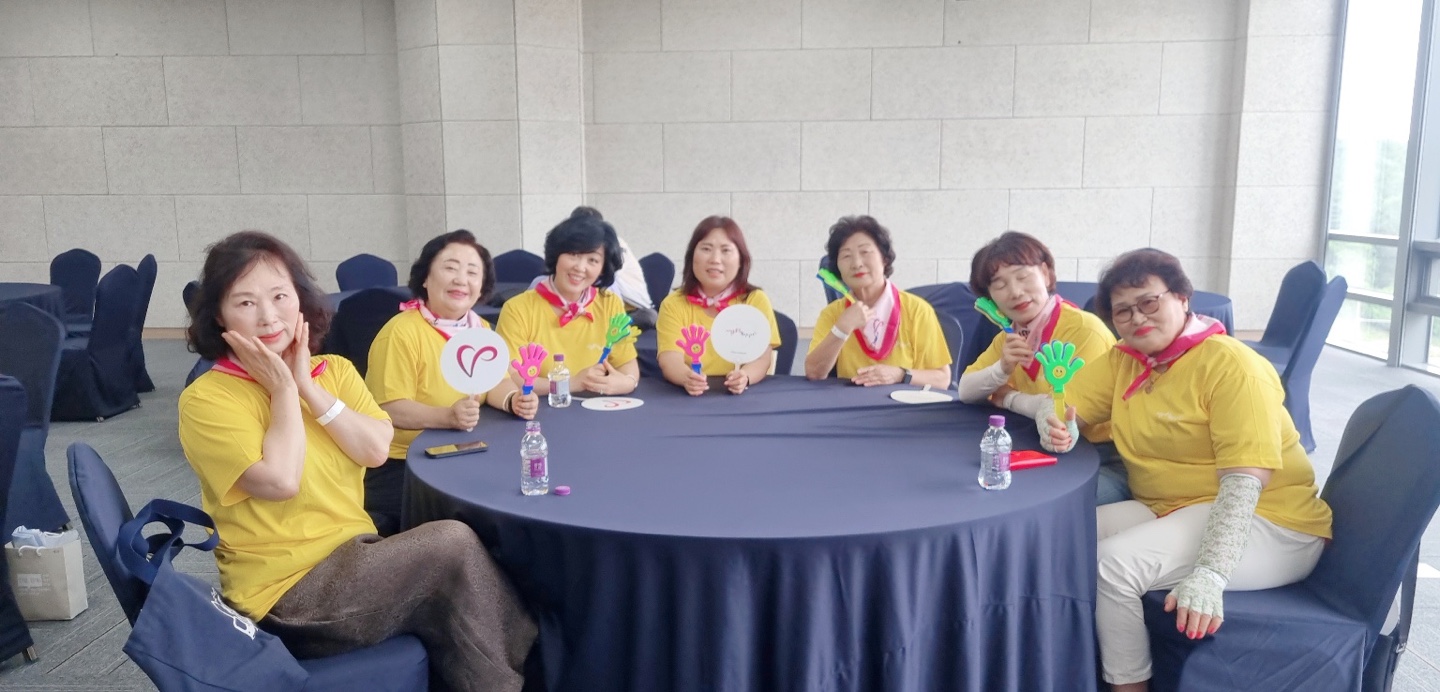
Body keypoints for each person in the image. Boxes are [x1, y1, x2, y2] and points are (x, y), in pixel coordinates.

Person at [178, 231, 535, 692]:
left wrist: (308, 387)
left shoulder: (336, 373)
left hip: (353, 556)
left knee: (460, 596)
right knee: (450, 545)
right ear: (219, 316)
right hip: (285, 594)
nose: (268, 316)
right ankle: (531, 670)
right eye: (245, 302)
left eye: (280, 296)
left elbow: (374, 450)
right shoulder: (208, 398)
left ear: (301, 300)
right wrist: (283, 389)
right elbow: (281, 481)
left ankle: (513, 672)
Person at [1042, 249, 1332, 691]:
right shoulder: (1126, 360)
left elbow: (1243, 484)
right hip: (1174, 507)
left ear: (1182, 297)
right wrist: (1057, 424)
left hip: (1270, 521)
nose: (1137, 317)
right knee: (1062, 535)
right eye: (1122, 311)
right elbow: (1065, 403)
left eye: (1149, 301)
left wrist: (1212, 572)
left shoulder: (1232, 366)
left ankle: (1128, 687)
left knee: (1111, 566)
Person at [363, 229, 539, 535]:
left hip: (463, 450)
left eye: (472, 272)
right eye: (450, 268)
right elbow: (388, 408)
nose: (461, 280)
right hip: (403, 465)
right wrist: (446, 416)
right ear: (425, 278)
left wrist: (513, 399)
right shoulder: (401, 332)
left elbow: (495, 382)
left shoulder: (480, 329)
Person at [956, 231, 1122, 502]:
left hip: (1100, 458)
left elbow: (1059, 413)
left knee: (1014, 500)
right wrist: (1002, 368)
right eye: (999, 285)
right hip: (1040, 447)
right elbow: (965, 390)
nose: (1015, 292)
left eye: (1022, 277)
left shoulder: (1084, 330)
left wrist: (1007, 397)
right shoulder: (1011, 334)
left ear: (1045, 273)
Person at [496, 208, 640, 396]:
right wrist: (570, 384)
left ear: (603, 268)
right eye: (573, 254)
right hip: (539, 408)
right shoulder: (517, 309)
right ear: (556, 255)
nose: (580, 267)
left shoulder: (609, 303)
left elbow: (626, 362)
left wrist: (627, 382)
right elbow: (512, 377)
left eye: (593, 260)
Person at [804, 215, 951, 387]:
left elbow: (942, 379)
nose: (856, 263)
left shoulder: (917, 310)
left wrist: (900, 374)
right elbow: (814, 372)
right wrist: (842, 328)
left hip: (903, 401)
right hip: (851, 400)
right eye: (846, 256)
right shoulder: (833, 313)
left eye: (865, 252)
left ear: (884, 259)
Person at [656, 216, 781, 395]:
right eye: (706, 249)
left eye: (726, 250)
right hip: (689, 396)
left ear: (741, 259)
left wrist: (745, 377)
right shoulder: (673, 304)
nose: (715, 259)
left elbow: (762, 358)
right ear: (692, 256)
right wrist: (686, 378)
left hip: (742, 396)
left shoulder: (755, 300)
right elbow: (669, 359)